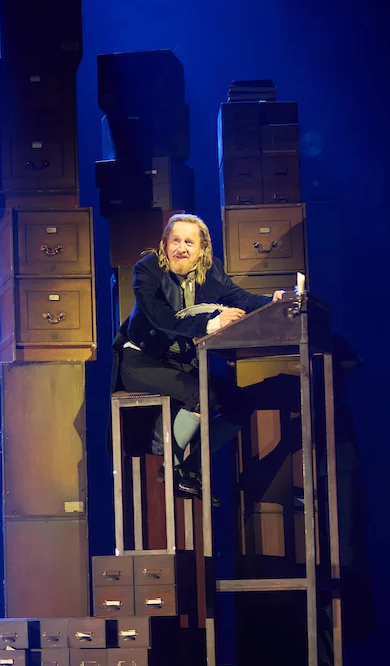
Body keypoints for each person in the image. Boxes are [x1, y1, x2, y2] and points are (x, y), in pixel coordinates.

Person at [113, 213, 287, 496]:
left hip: (178, 365)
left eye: (189, 242)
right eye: (175, 241)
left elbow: (242, 299)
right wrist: (212, 323)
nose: (181, 248)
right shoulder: (148, 269)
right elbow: (161, 317)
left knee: (239, 403)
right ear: (164, 244)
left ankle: (188, 468)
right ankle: (171, 467)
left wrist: (273, 301)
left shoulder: (211, 270)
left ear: (202, 249)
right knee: (201, 395)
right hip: (141, 362)